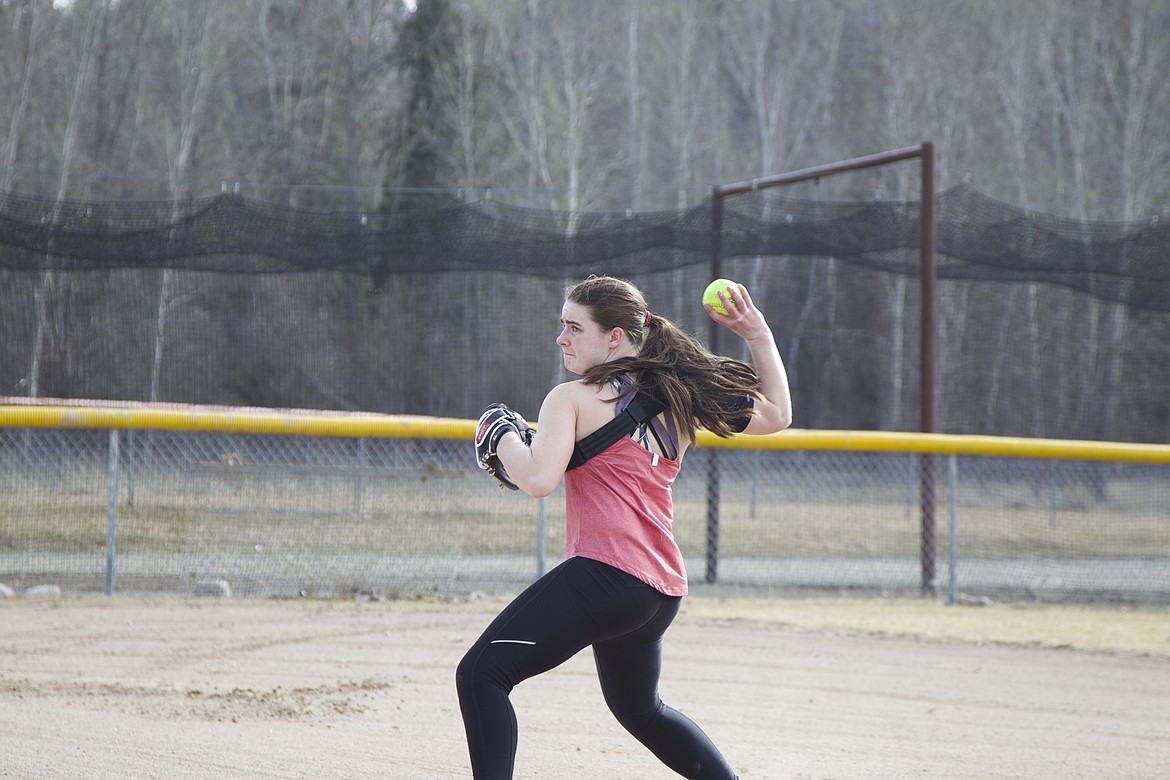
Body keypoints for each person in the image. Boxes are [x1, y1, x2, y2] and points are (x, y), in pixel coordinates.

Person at [457, 275, 792, 779]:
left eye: (574, 327)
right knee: (641, 711)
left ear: (615, 337)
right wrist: (759, 333)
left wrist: (500, 432)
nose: (561, 338)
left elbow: (538, 479)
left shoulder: (569, 398)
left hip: (606, 575)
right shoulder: (677, 392)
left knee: (481, 675)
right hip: (658, 590)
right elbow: (779, 415)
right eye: (562, 326)